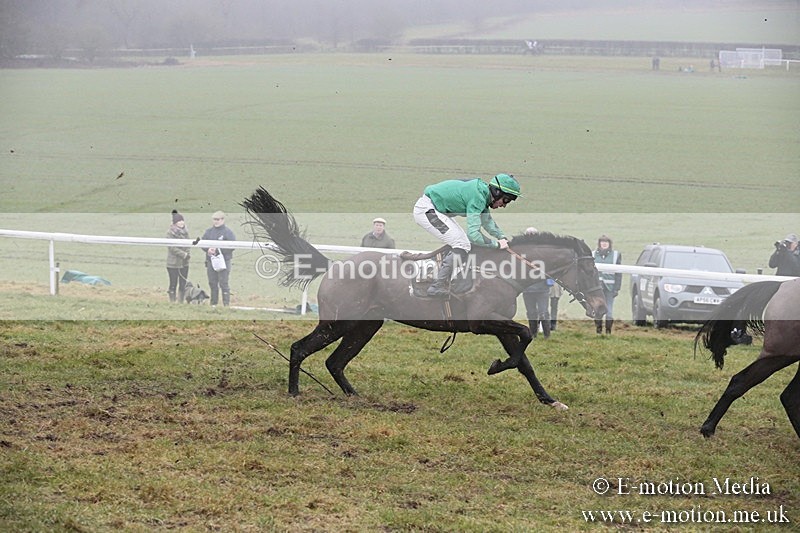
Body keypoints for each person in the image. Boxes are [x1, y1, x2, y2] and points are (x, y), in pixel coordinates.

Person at [413, 173, 521, 298]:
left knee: (462, 242)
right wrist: (496, 245)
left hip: (435, 210)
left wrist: (502, 237)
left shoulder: (482, 194)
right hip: (427, 210)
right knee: (462, 243)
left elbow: (487, 222)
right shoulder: (478, 197)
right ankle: (437, 284)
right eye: (505, 200)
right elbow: (474, 235)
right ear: (497, 192)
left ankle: (439, 274)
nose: (504, 205)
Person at [201, 210, 236, 307]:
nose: (216, 221)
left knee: (224, 283)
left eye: (218, 219)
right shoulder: (208, 232)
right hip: (211, 261)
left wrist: (219, 250)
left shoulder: (228, 232)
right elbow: (202, 243)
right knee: (212, 283)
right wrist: (208, 249)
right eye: (214, 219)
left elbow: (232, 246)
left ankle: (226, 304)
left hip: (224, 262)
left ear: (223, 220)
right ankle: (213, 304)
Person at [521, 227, 551, 339]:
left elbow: (549, 267)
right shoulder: (522, 252)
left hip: (542, 288)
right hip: (528, 289)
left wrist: (549, 281)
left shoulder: (544, 251)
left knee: (543, 312)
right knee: (531, 313)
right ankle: (533, 335)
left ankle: (547, 335)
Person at [593, 234, 622, 335]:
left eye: (606, 242)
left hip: (610, 288)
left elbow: (619, 273)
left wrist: (617, 289)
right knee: (598, 309)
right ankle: (598, 330)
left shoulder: (615, 255)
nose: (604, 244)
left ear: (609, 244)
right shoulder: (593, 255)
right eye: (602, 242)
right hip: (597, 289)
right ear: (599, 243)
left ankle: (608, 331)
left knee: (609, 310)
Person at [166, 210, 191, 303]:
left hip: (184, 263)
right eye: (179, 221)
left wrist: (187, 254)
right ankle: (172, 301)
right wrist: (183, 254)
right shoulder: (170, 233)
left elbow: (188, 244)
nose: (181, 223)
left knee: (183, 283)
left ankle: (181, 301)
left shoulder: (186, 232)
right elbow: (172, 247)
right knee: (173, 283)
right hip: (173, 263)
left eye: (182, 221)